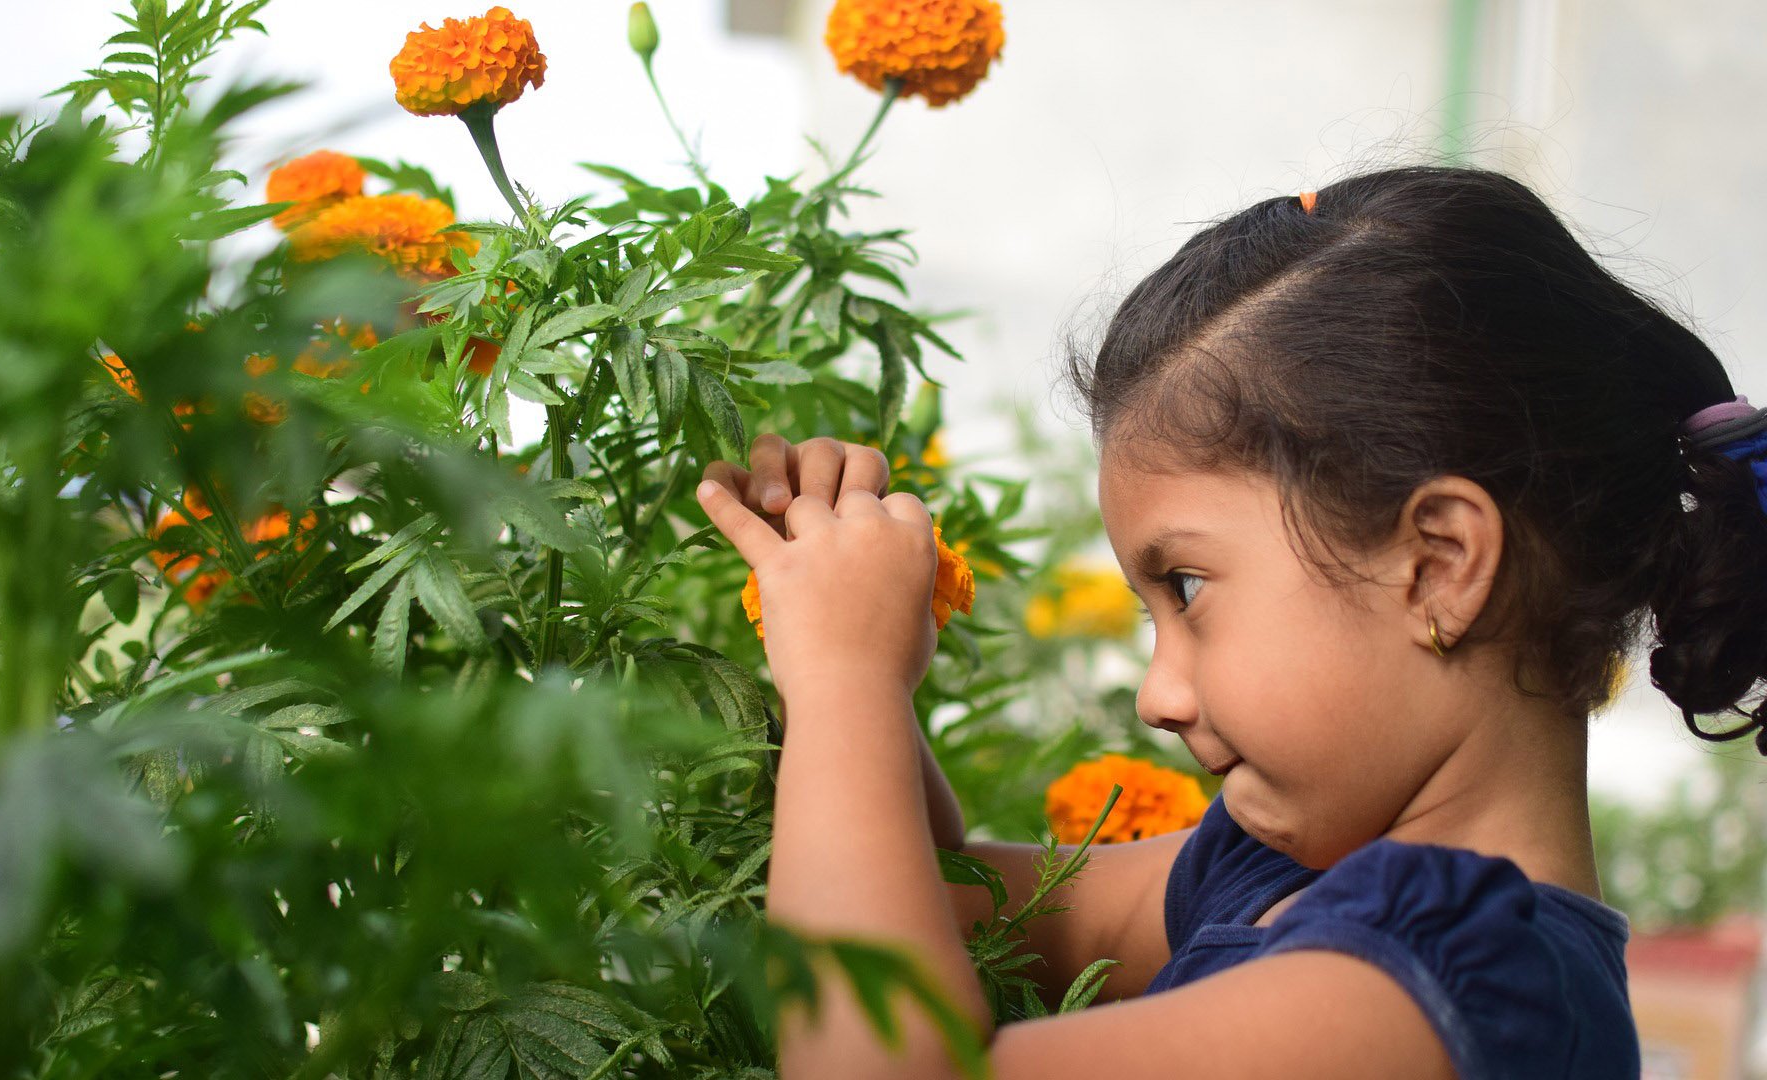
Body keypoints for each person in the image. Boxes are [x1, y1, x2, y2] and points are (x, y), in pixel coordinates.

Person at [694, 163, 1767, 1079]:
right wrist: (853, 645)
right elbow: (963, 906)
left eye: (1188, 590)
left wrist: (842, 677)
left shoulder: (1456, 987)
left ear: (1439, 567)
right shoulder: (1278, 870)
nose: (1157, 695)